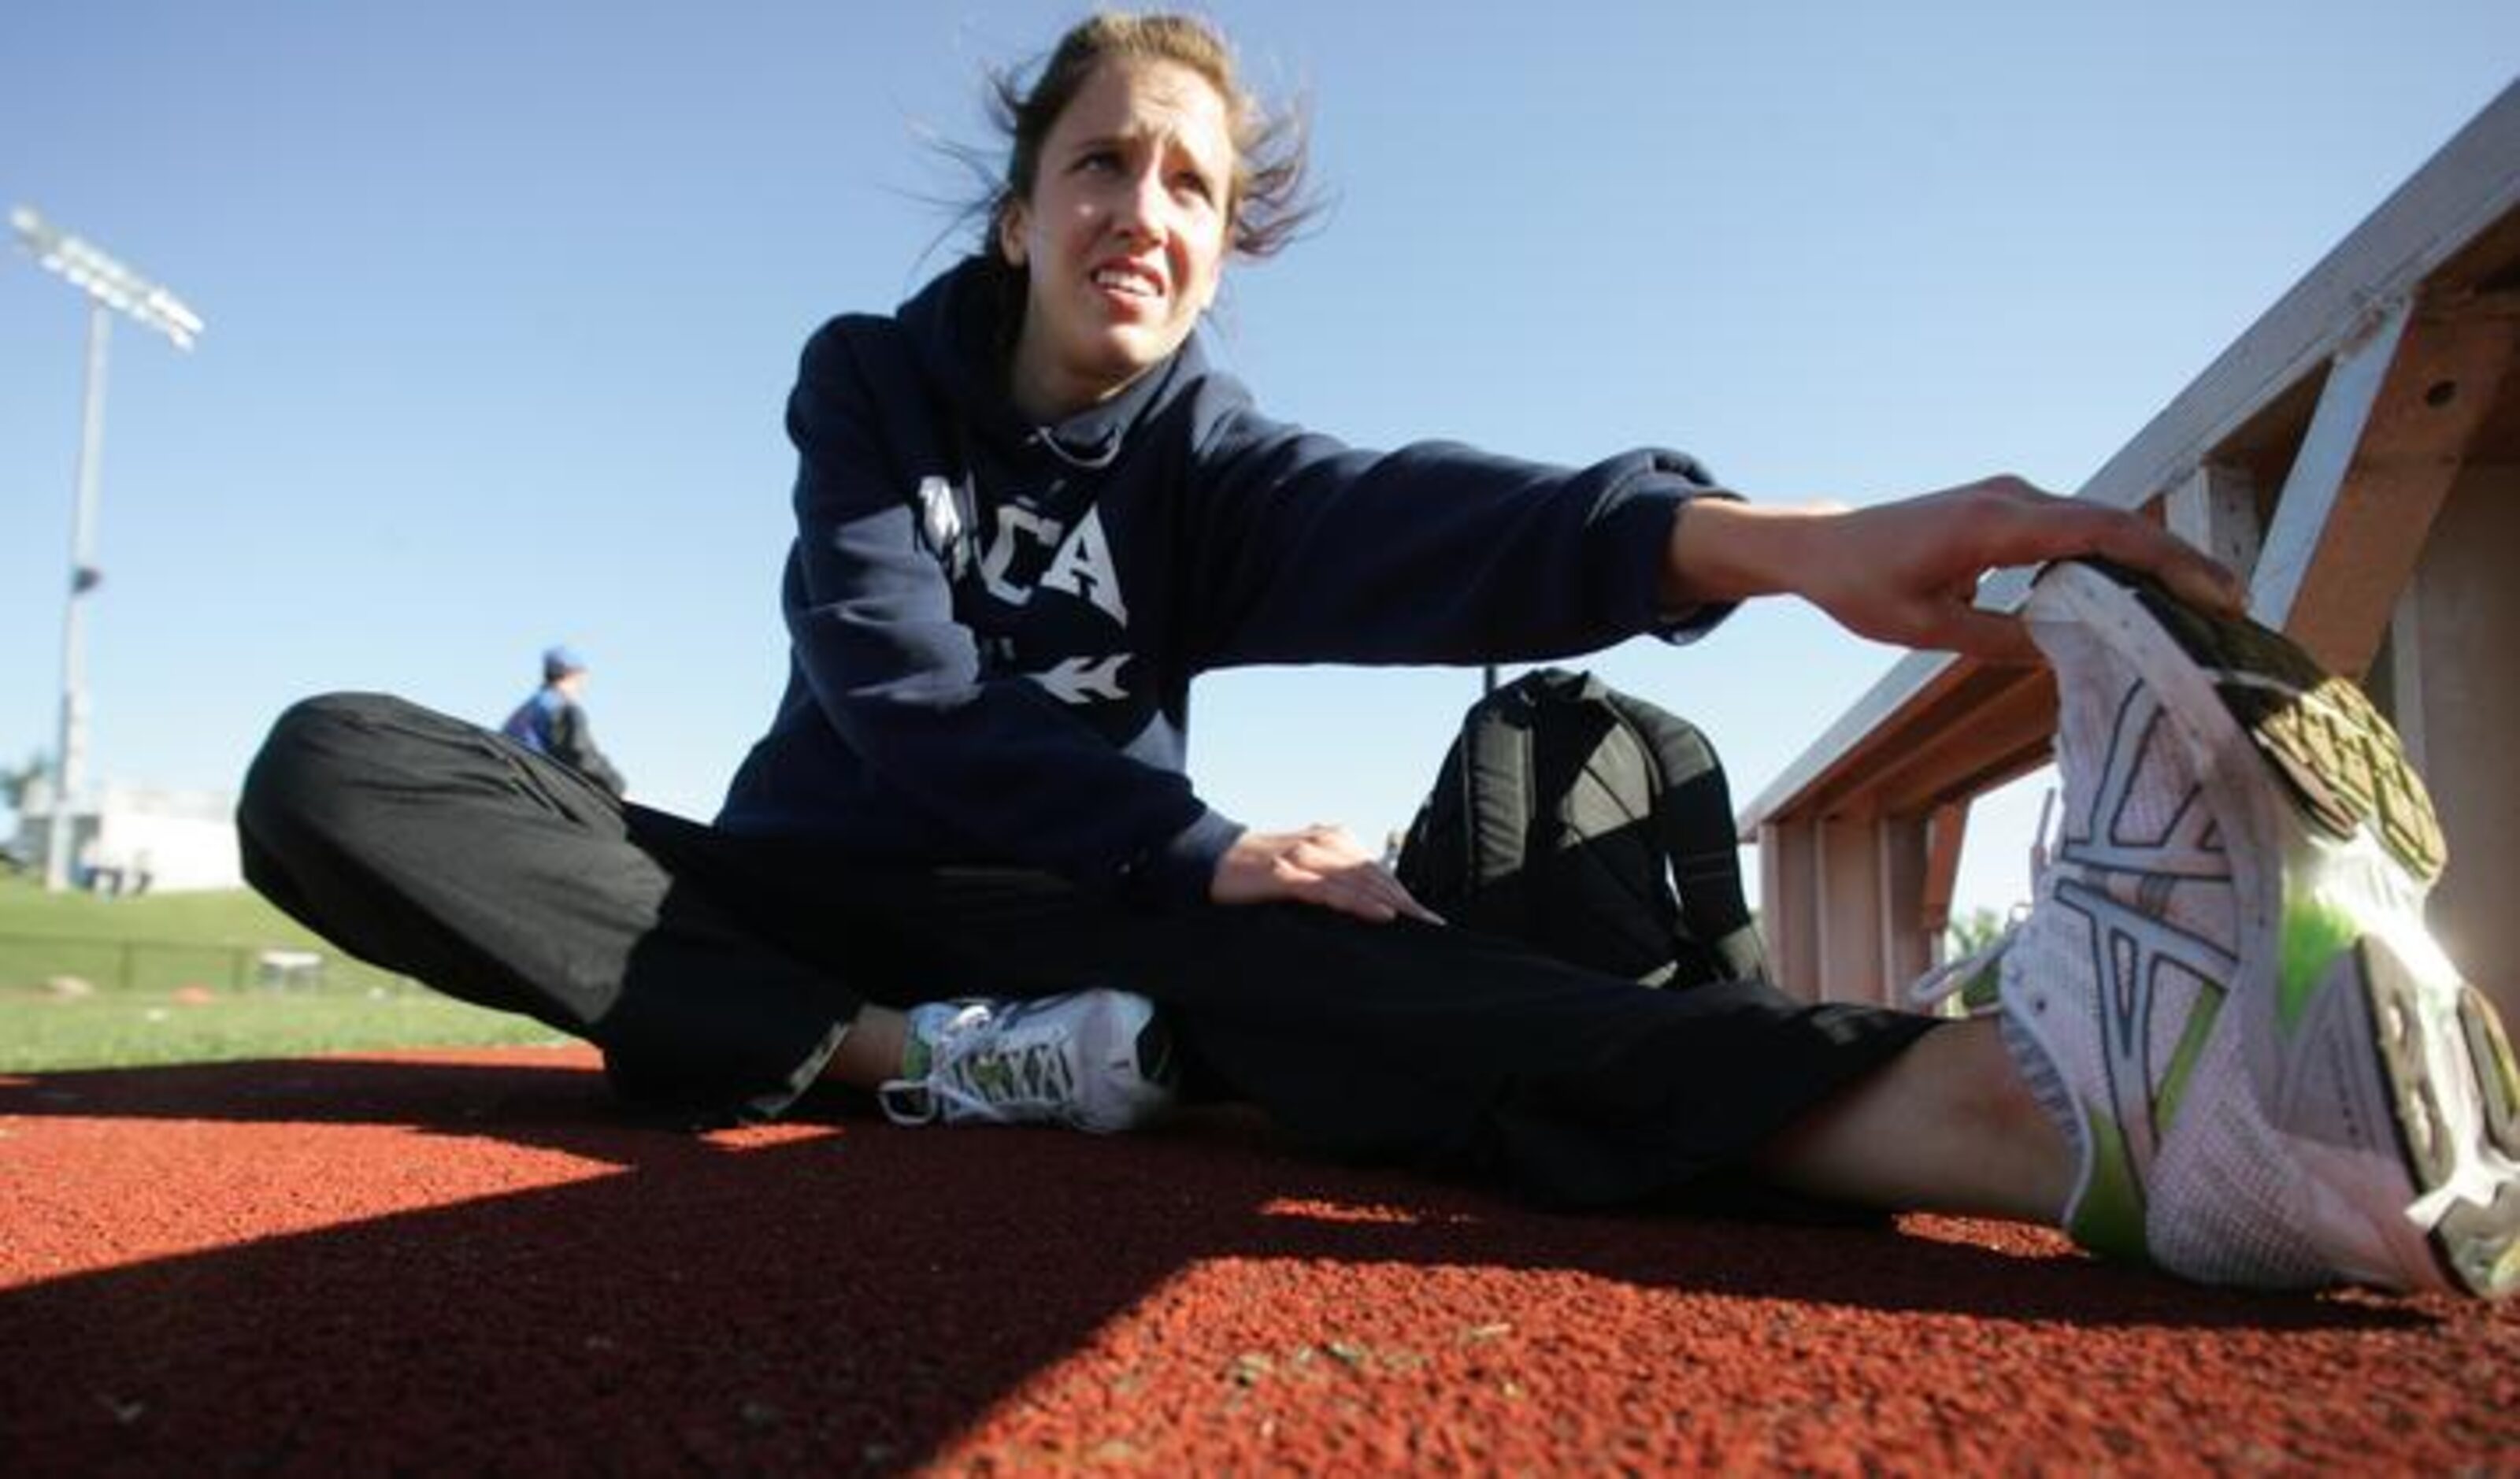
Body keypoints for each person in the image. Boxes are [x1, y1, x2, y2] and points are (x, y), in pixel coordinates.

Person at [236, 12, 2514, 1299]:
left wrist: (1800, 542)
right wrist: (1201, 841)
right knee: (333, 757)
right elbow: (896, 682)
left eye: (1193, 191)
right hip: (797, 897)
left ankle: (2076, 1119)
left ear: (1224, 252)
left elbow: (1441, 525)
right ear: (1023, 202)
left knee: (1385, 957)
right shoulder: (872, 380)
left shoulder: (1208, 459)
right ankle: (893, 1055)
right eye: (1107, 165)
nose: (1145, 212)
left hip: (1079, 927)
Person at [499, 644, 627, 799]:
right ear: (573, 674)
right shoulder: (561, 708)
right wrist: (616, 784)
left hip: (512, 790)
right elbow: (581, 756)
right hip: (538, 792)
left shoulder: (524, 710)